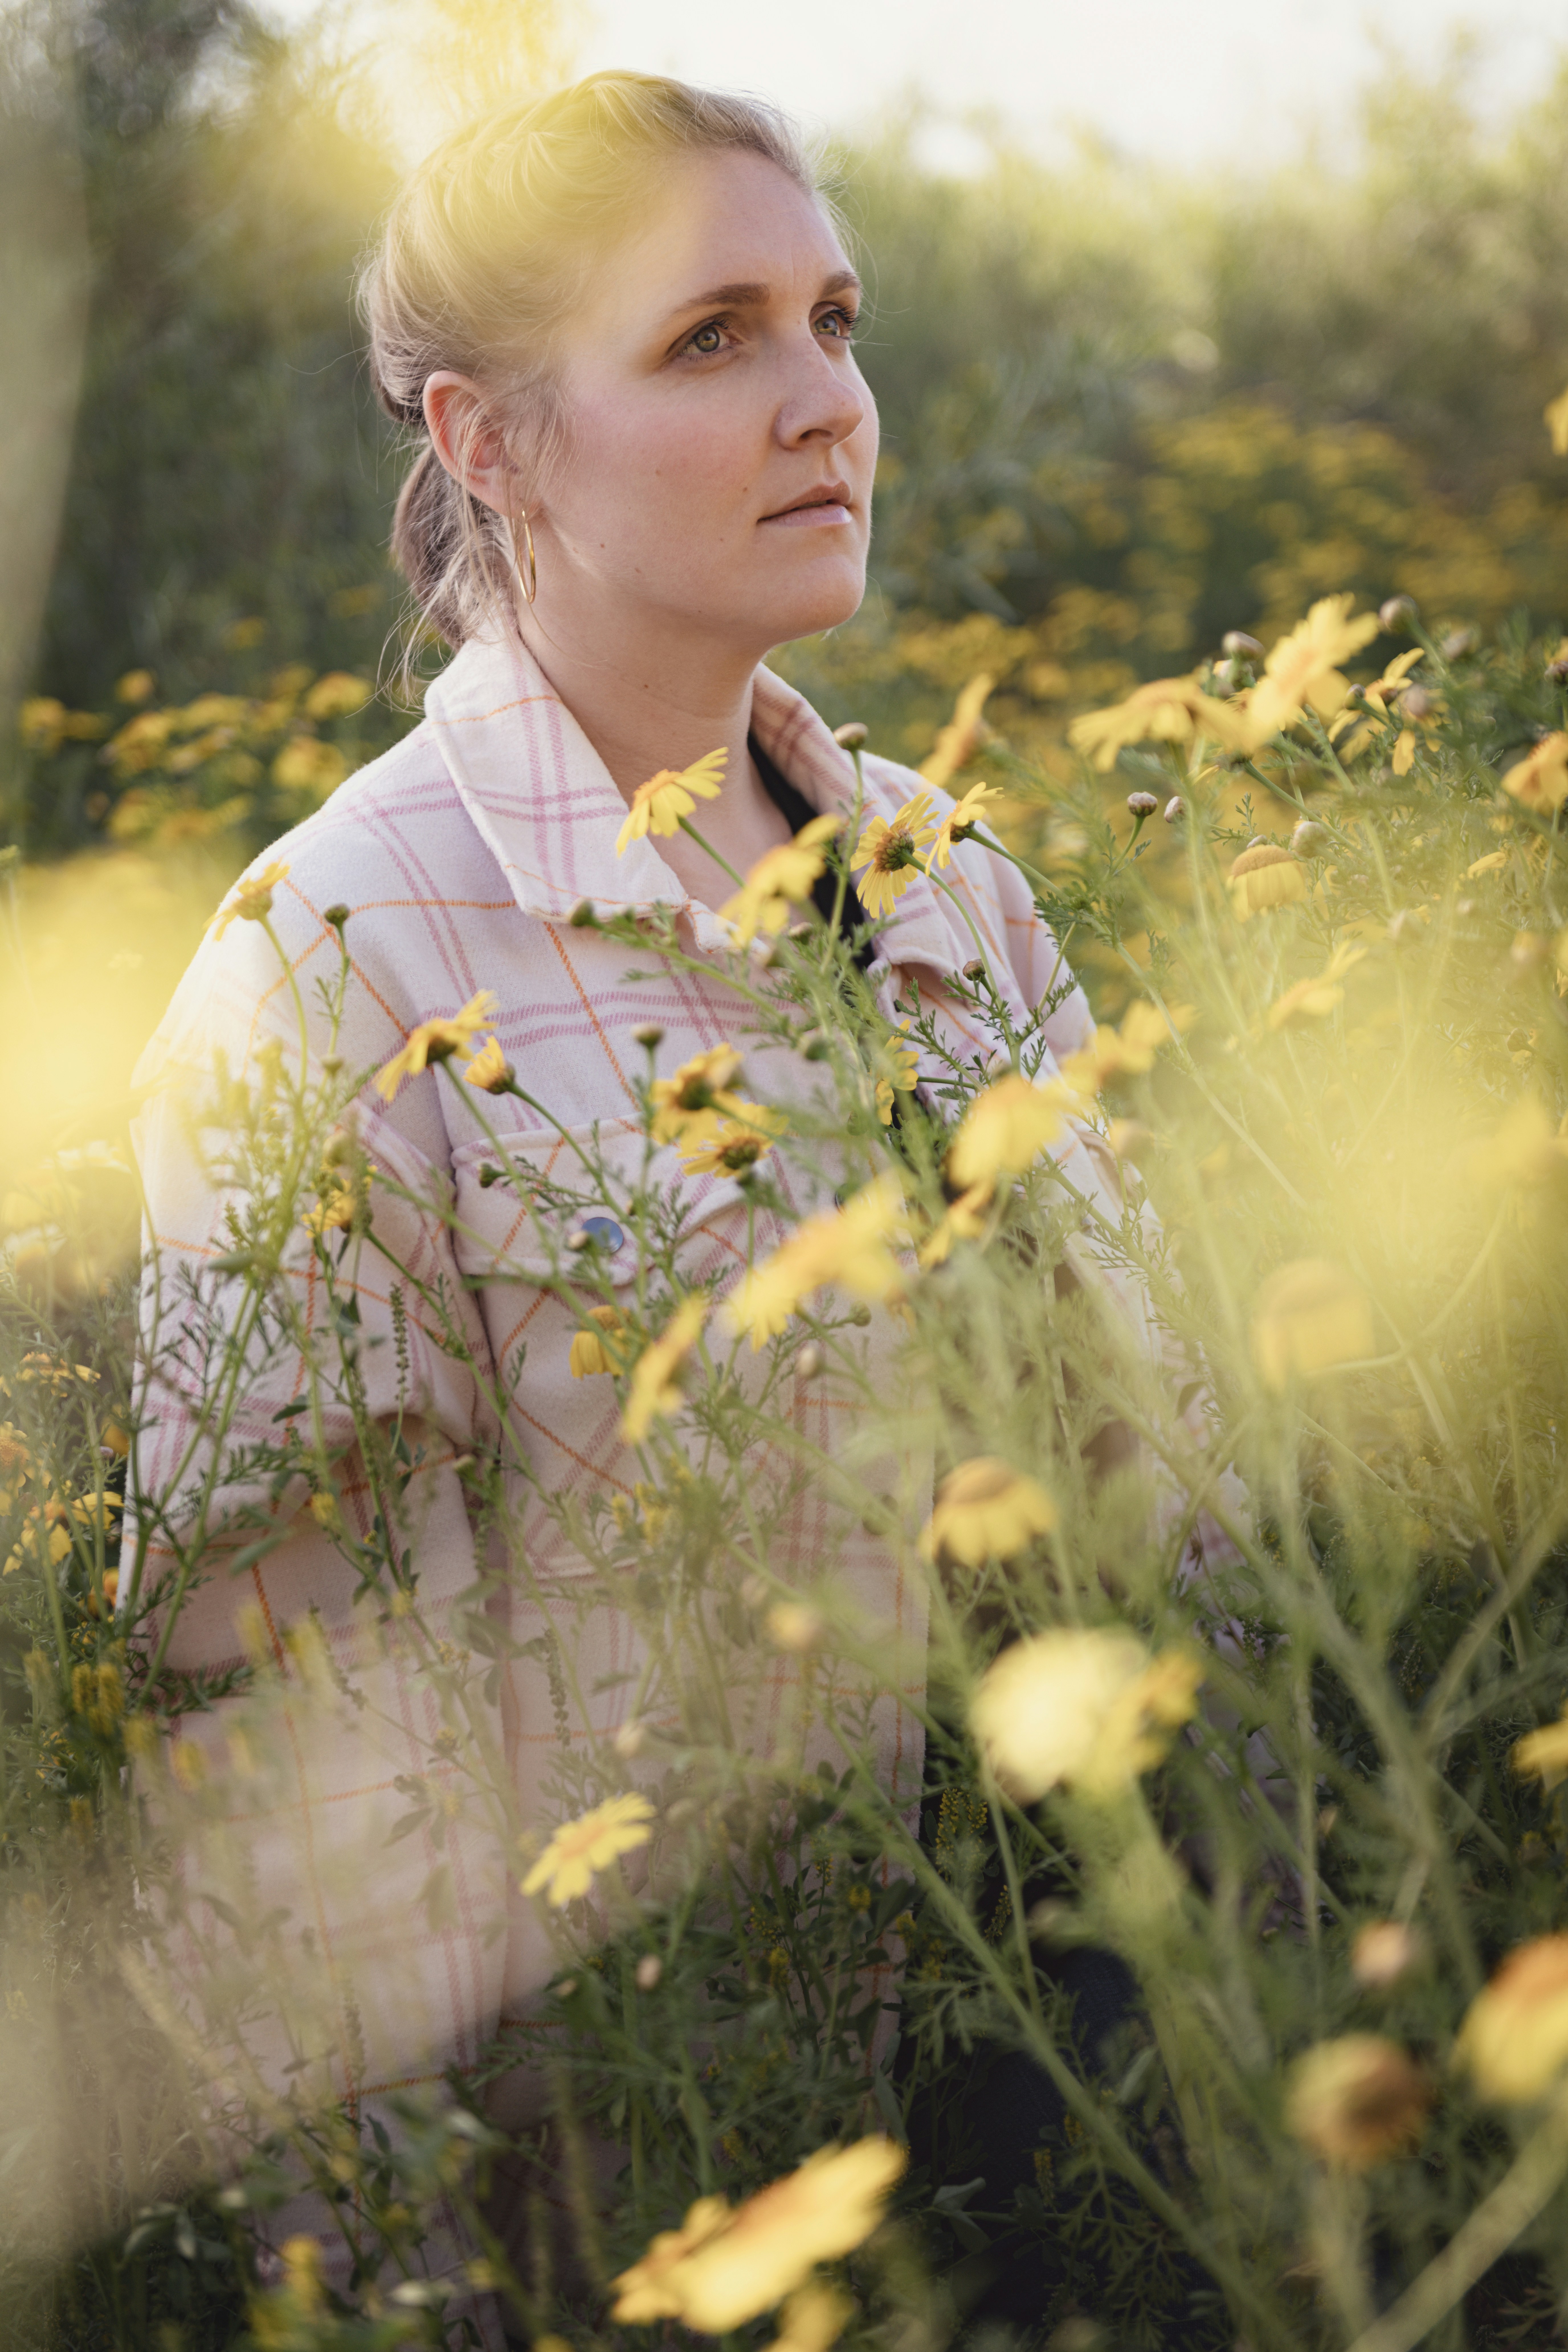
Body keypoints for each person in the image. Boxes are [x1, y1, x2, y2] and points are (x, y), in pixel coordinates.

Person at [129, 72, 1187, 2317]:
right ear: (488, 442)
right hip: (677, 2184)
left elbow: (1168, 1492)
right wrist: (413, 2281)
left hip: (1113, 2118)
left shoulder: (946, 877)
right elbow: (286, 1734)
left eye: (834, 317)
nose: (826, 402)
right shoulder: (336, 958)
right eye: (711, 337)